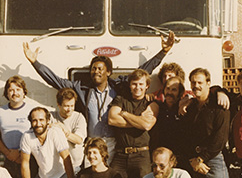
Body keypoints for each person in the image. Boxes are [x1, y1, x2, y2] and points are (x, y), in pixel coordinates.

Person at [23, 31, 175, 163]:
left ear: (108, 72)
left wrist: (163, 52)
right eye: (93, 68)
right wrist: (35, 63)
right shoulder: (81, 89)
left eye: (100, 68)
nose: (96, 71)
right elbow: (56, 81)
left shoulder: (119, 86)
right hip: (92, 142)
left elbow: (141, 72)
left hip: (114, 143)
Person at [108, 69, 159, 178]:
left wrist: (124, 114)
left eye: (141, 84)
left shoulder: (151, 104)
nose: (138, 87)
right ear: (130, 85)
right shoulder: (120, 99)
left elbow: (147, 125)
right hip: (120, 155)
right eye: (134, 84)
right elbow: (112, 119)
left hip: (141, 155)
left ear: (147, 86)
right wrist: (138, 121)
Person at [50, 88, 87, 173]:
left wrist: (63, 129)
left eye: (72, 106)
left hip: (75, 165)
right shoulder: (51, 116)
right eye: (66, 106)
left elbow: (79, 140)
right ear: (58, 105)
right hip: (55, 166)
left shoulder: (79, 117)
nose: (69, 109)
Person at [150, 76, 186, 161]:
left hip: (180, 156)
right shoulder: (158, 107)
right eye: (167, 88)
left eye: (174, 90)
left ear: (180, 92)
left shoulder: (184, 108)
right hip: (161, 157)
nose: (169, 92)